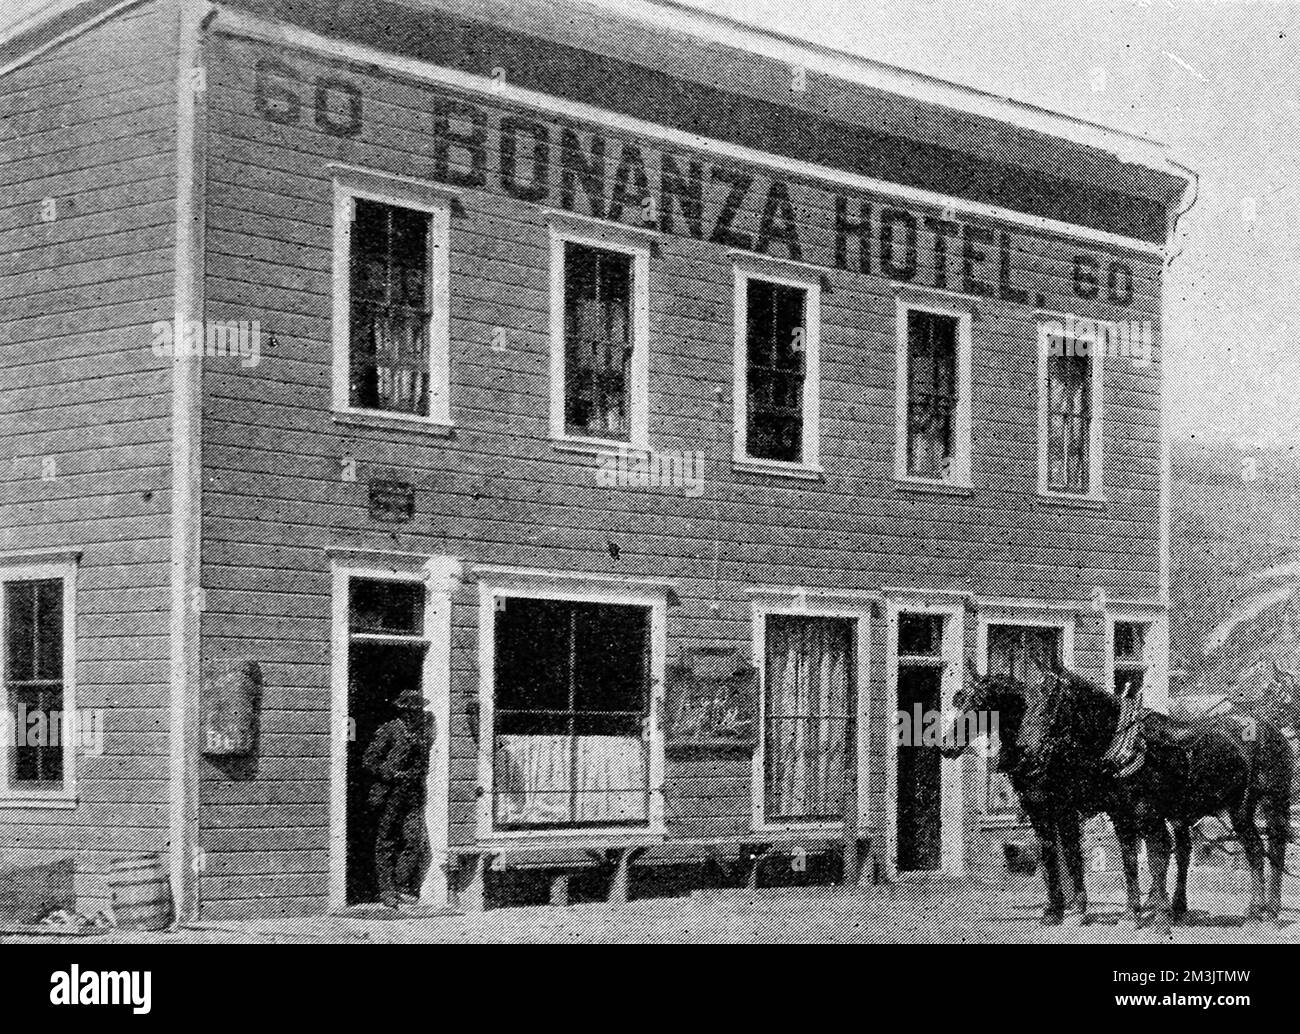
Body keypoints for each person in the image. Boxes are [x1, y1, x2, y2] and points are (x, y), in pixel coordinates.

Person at [363, 691, 433, 908]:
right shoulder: (389, 730)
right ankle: (386, 890)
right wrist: (390, 774)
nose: (415, 714)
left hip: (413, 794)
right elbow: (369, 759)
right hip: (390, 792)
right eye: (411, 710)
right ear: (403, 711)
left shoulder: (420, 734)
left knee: (414, 839)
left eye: (418, 710)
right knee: (386, 840)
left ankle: (401, 885)